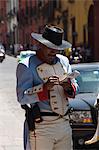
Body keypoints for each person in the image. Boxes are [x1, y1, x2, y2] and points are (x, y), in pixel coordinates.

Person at [16, 25, 78, 150]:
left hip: (64, 123)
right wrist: (44, 88)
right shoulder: (26, 65)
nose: (53, 51)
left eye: (57, 48)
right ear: (41, 44)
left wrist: (68, 87)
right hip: (42, 127)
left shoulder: (64, 61)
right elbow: (22, 97)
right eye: (50, 47)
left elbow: (75, 86)